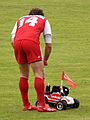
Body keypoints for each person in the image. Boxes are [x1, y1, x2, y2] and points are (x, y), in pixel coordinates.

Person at [11, 8, 56, 112]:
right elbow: (48, 45)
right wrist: (45, 60)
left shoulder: (21, 19)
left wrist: (22, 52)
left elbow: (13, 41)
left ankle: (26, 105)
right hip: (31, 42)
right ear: (41, 15)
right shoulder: (44, 20)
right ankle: (42, 105)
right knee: (39, 73)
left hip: (17, 44)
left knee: (23, 74)